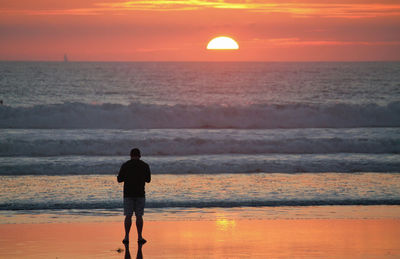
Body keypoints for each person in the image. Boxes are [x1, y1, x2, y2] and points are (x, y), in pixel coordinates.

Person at [117, 148, 151, 245]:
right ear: (140, 155)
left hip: (128, 193)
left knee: (128, 215)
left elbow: (119, 180)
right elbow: (148, 180)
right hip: (140, 193)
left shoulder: (125, 165)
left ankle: (126, 237)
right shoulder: (144, 165)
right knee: (139, 216)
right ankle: (139, 237)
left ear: (130, 155)